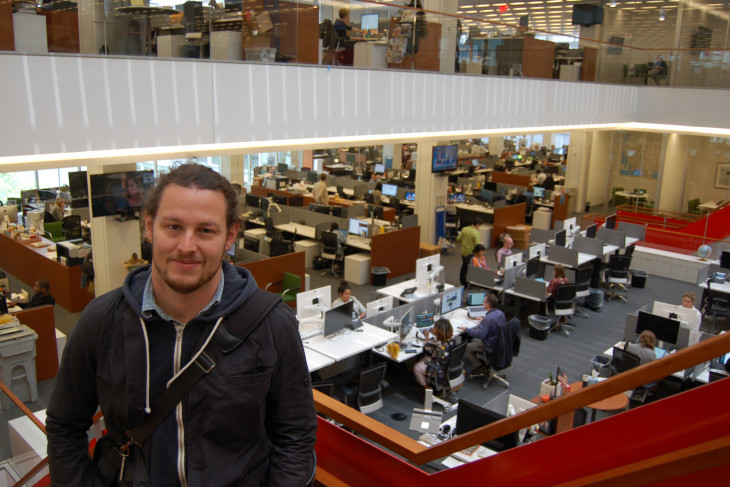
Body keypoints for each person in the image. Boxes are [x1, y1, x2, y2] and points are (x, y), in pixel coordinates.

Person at [46, 163, 317, 486]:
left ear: (230, 234)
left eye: (205, 230)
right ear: (149, 227)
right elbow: (64, 424)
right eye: (173, 227)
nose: (187, 246)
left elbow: (295, 435)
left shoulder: (272, 324)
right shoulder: (101, 321)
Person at [459, 293, 506, 372]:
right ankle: (484, 358)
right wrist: (484, 322)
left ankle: (479, 366)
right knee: (473, 340)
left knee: (464, 348)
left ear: (488, 304)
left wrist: (466, 329)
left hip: (489, 343)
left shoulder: (488, 319)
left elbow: (480, 335)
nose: (482, 303)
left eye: (484, 302)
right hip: (498, 341)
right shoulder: (500, 313)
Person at [413, 318, 457, 388]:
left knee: (417, 367)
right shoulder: (452, 339)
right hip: (447, 365)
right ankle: (421, 379)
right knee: (425, 358)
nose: (433, 328)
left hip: (439, 370)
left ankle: (427, 390)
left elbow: (426, 349)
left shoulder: (436, 344)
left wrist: (426, 337)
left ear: (438, 331)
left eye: (434, 327)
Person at [456, 219, 482, 286]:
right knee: (471, 269)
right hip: (471, 254)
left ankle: (464, 281)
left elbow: (458, 239)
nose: (478, 228)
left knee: (464, 267)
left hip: (463, 252)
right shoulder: (476, 233)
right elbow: (477, 246)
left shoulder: (464, 229)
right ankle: (470, 282)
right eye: (479, 226)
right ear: (478, 224)